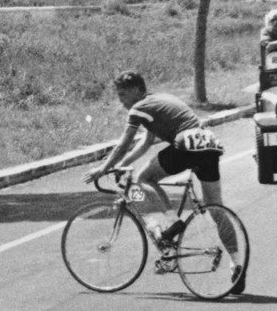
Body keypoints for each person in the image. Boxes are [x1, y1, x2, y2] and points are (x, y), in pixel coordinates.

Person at [82, 71, 245, 294]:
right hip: (208, 145)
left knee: (144, 178)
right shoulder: (161, 99)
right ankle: (236, 263)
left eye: (122, 94)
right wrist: (124, 163)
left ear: (135, 90)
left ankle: (171, 222)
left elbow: (123, 144)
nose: (120, 100)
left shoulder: (139, 108)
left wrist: (103, 169)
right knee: (216, 209)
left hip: (186, 145)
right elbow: (146, 142)